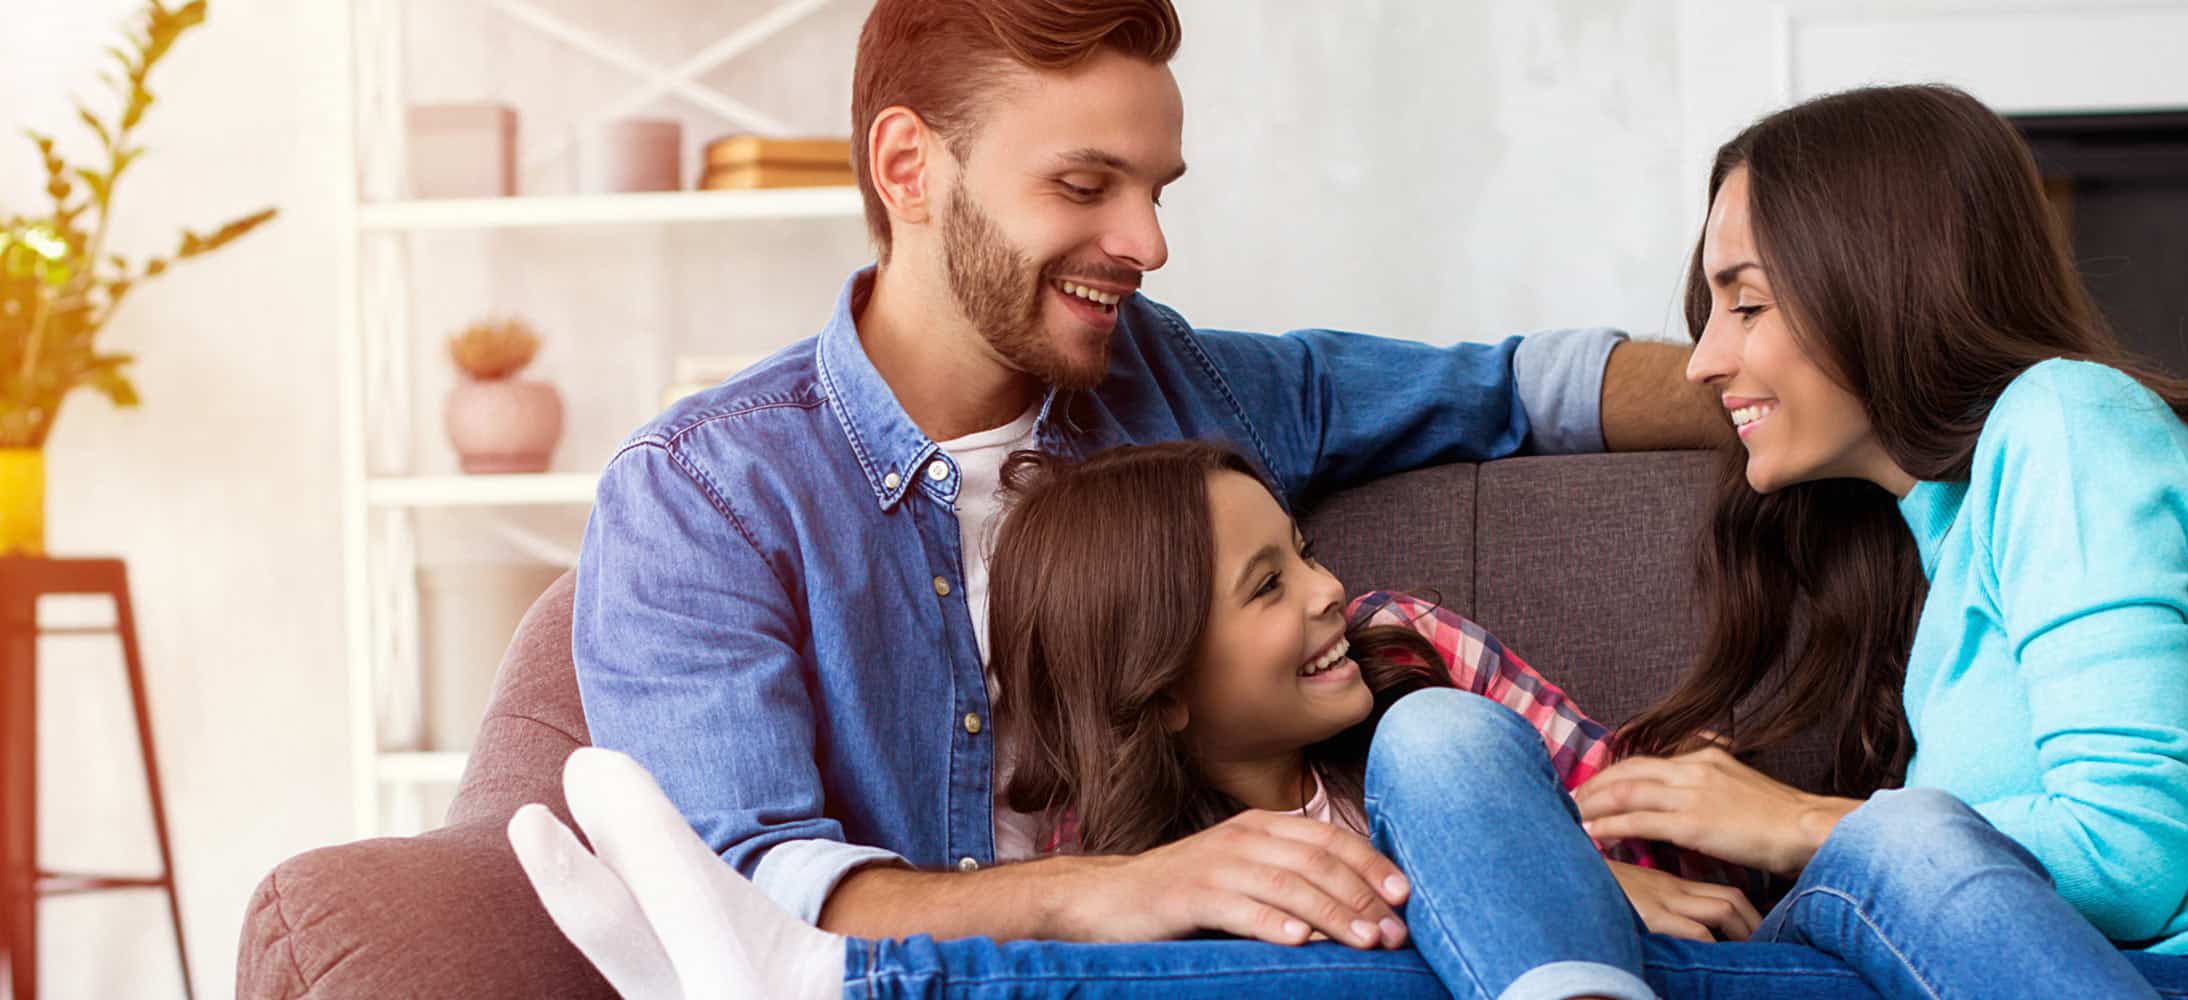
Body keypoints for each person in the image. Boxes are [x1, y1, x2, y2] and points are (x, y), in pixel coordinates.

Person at [571, 0, 1726, 975]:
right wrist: (1111, 890)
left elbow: (1515, 388)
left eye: (1155, 188)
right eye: (1084, 184)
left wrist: (1813, 370)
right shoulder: (704, 495)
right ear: (908, 166)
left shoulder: (1181, 381)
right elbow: (754, 880)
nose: (1146, 241)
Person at [1532, 83, 2188, 1000]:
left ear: (1878, 283)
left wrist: (1801, 825)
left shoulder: (2066, 419)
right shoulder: (1937, 542)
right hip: (2067, 972)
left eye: (1748, 304)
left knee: (1908, 842)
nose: (1700, 363)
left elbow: (2123, 857)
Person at [509, 442, 1890, 999]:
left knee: (1434, 794)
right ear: (1163, 679)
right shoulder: (1131, 864)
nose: (1334, 591)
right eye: (1270, 581)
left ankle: (840, 986)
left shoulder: (1412, 671)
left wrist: (1575, 885)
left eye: (1302, 549)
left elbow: (1676, 879)